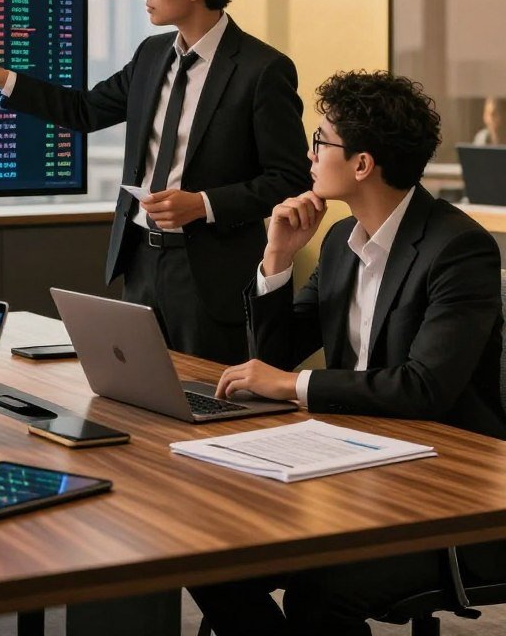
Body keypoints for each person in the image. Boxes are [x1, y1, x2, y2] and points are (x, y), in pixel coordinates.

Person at [190, 69, 506, 636]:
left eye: (320, 142)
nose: (310, 155)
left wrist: (293, 386)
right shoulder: (340, 241)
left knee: (323, 591)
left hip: (444, 494)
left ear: (362, 165)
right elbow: (276, 355)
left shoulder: (457, 248)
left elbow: (422, 387)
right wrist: (277, 259)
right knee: (205, 550)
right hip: (352, 467)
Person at [0, 0, 310, 364]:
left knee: (206, 399)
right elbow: (84, 110)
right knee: (139, 395)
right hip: (140, 261)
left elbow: (289, 178)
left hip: (210, 275)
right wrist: (0, 77)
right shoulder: (151, 55)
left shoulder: (262, 69)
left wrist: (204, 204)